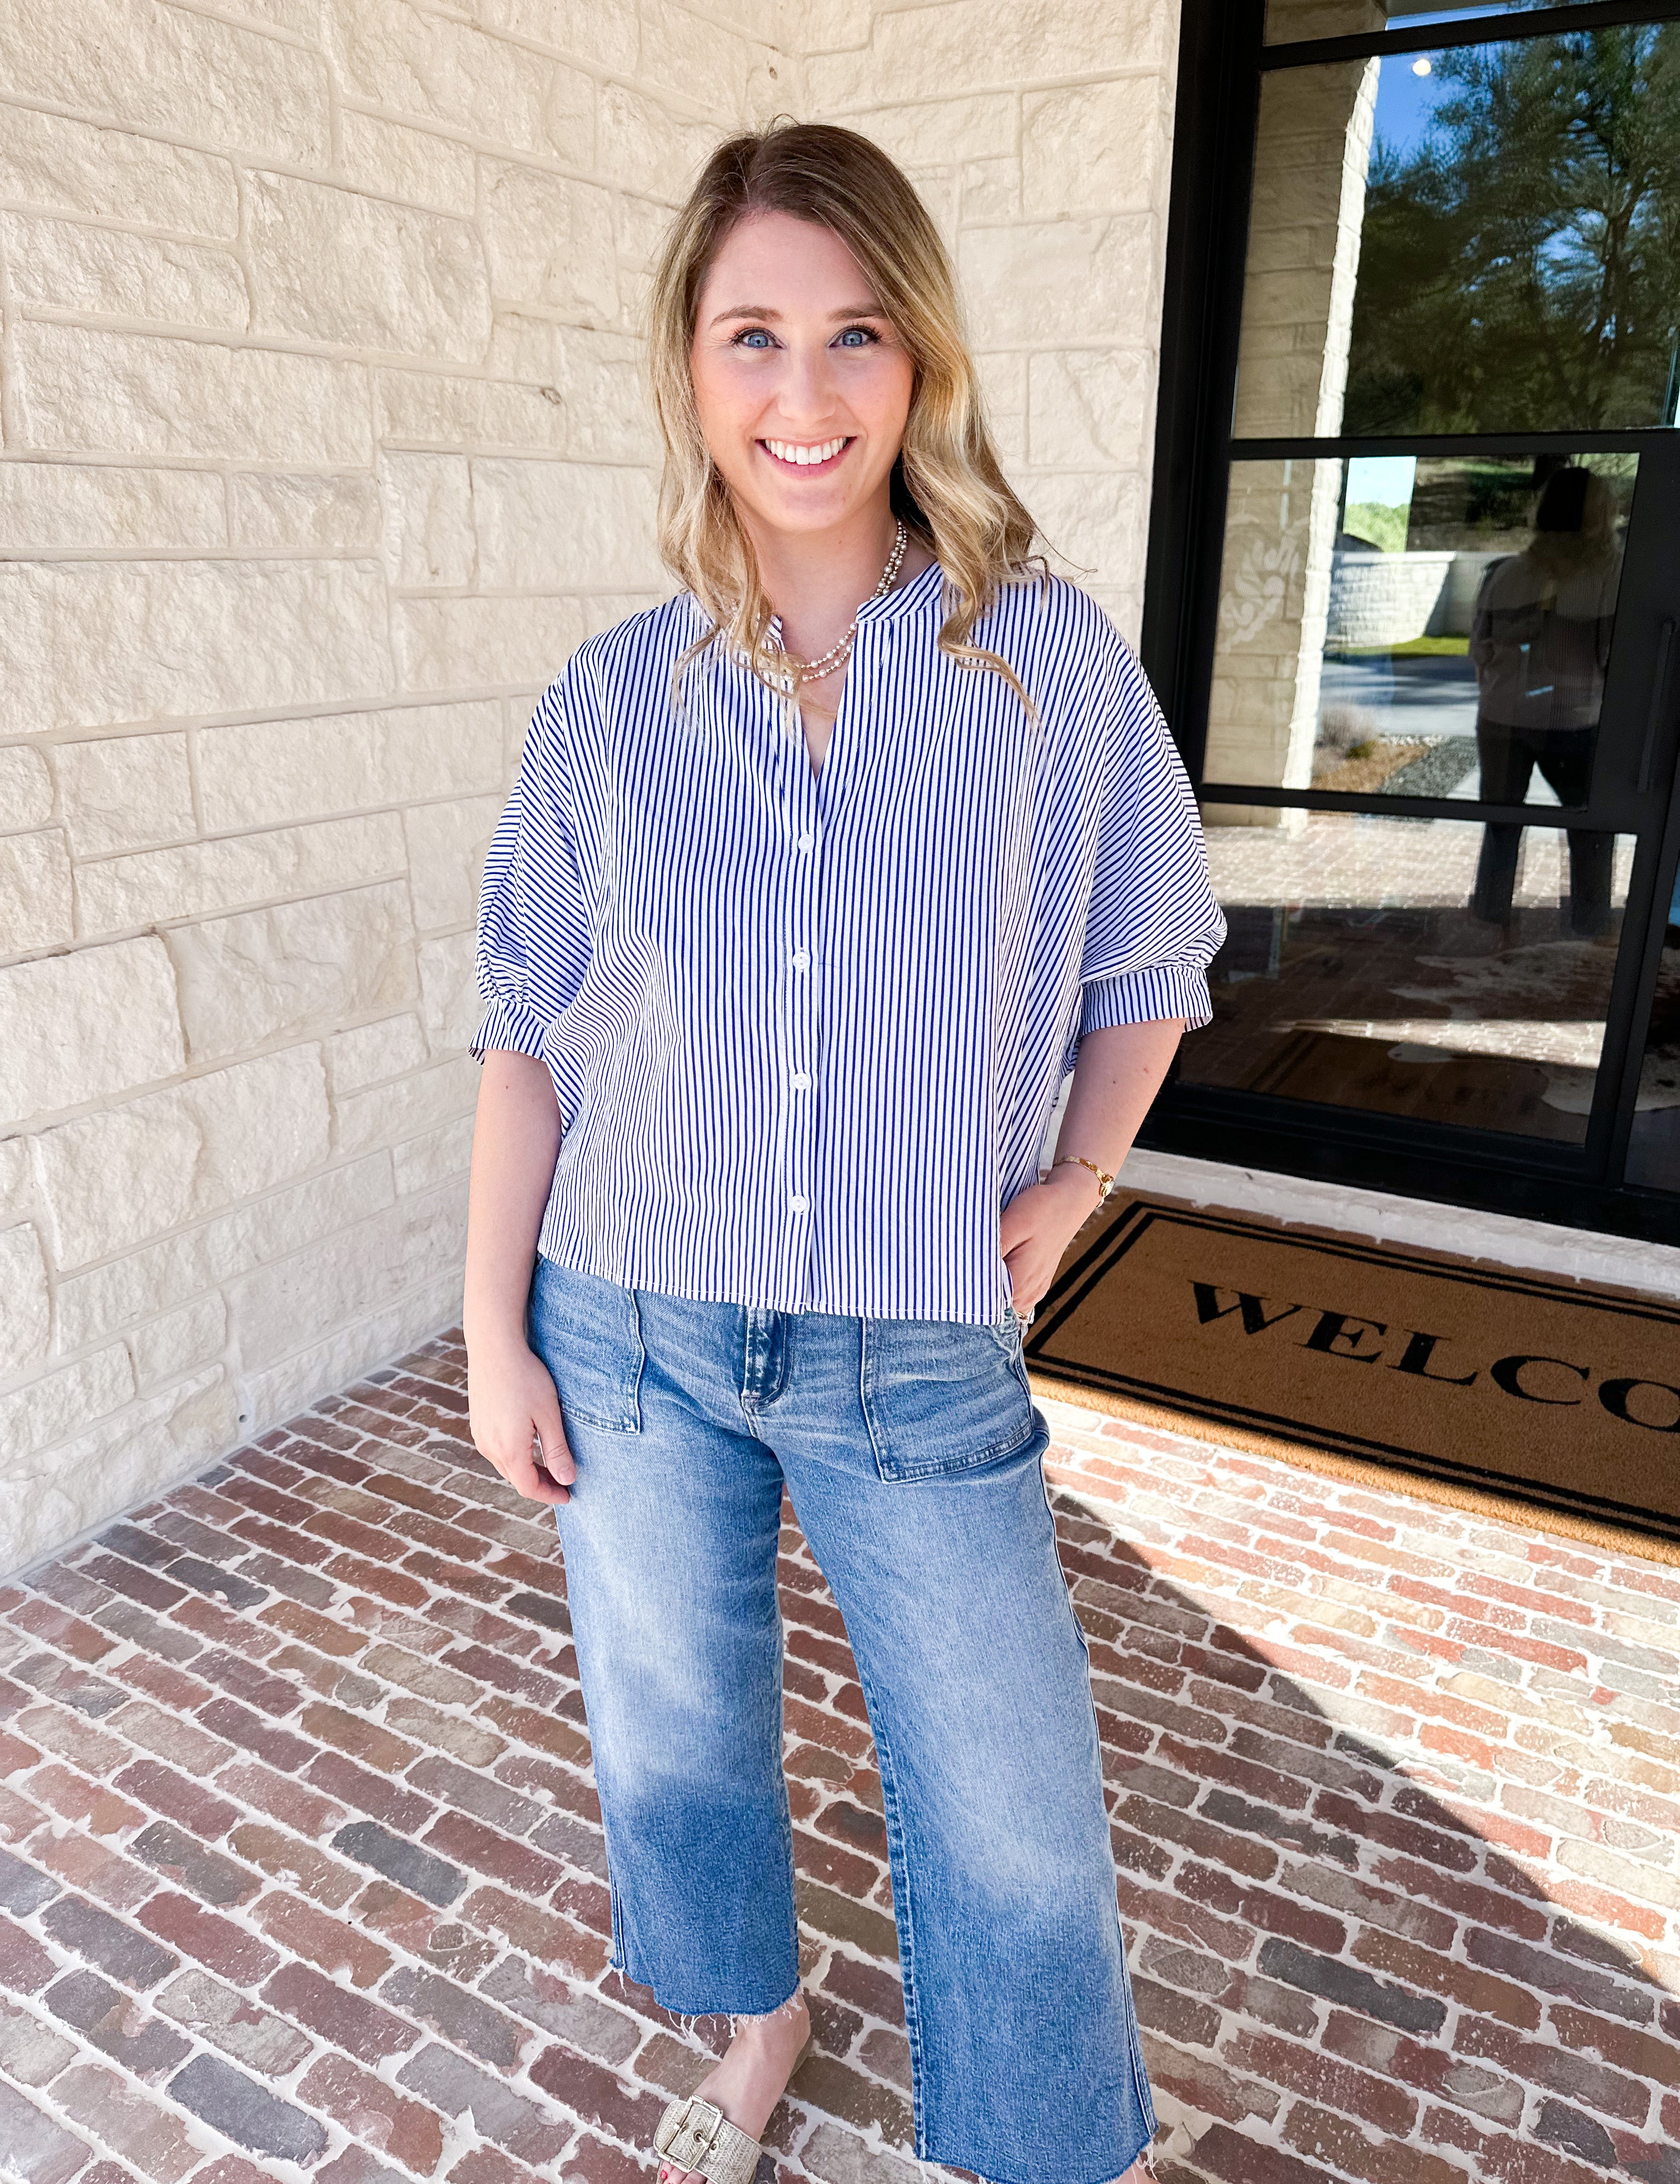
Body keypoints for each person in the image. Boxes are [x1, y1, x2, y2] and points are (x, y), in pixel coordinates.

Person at [463, 121, 1225, 2184]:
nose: (800, 396)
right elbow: (527, 1028)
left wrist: (1065, 1190)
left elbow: (1151, 956)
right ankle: (761, 2018)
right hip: (625, 1317)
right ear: (688, 370)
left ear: (919, 365)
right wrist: (488, 1333)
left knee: (1008, 1808)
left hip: (914, 1337)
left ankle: (1035, 2144)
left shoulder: (1040, 664)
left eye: (852, 335)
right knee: (679, 1743)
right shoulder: (606, 705)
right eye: (750, 338)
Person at [1468, 465, 1623, 934]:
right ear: (1602, 514)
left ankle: (1490, 916)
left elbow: (1480, 651)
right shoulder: (1612, 577)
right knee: (1591, 830)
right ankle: (1589, 924)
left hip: (1501, 717)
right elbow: (1610, 659)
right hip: (1578, 722)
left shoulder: (1505, 573)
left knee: (1501, 824)